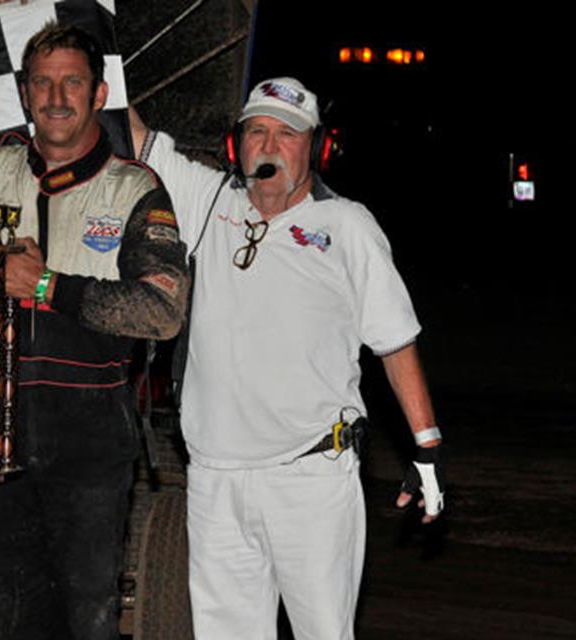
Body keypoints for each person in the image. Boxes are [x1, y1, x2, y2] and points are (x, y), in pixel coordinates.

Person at [131, 77, 446, 638]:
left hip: (311, 478)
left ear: (315, 147)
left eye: (287, 133)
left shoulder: (347, 226)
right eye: (256, 131)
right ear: (237, 146)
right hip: (216, 479)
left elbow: (395, 340)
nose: (269, 145)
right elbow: (132, 134)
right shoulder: (208, 202)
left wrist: (427, 446)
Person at [0, 23, 189, 640]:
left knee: (86, 619)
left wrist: (48, 286)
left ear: (99, 93)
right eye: (42, 82)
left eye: (72, 82)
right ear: (23, 92)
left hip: (88, 436)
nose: (56, 97)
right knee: (6, 617)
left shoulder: (134, 187)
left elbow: (161, 312)